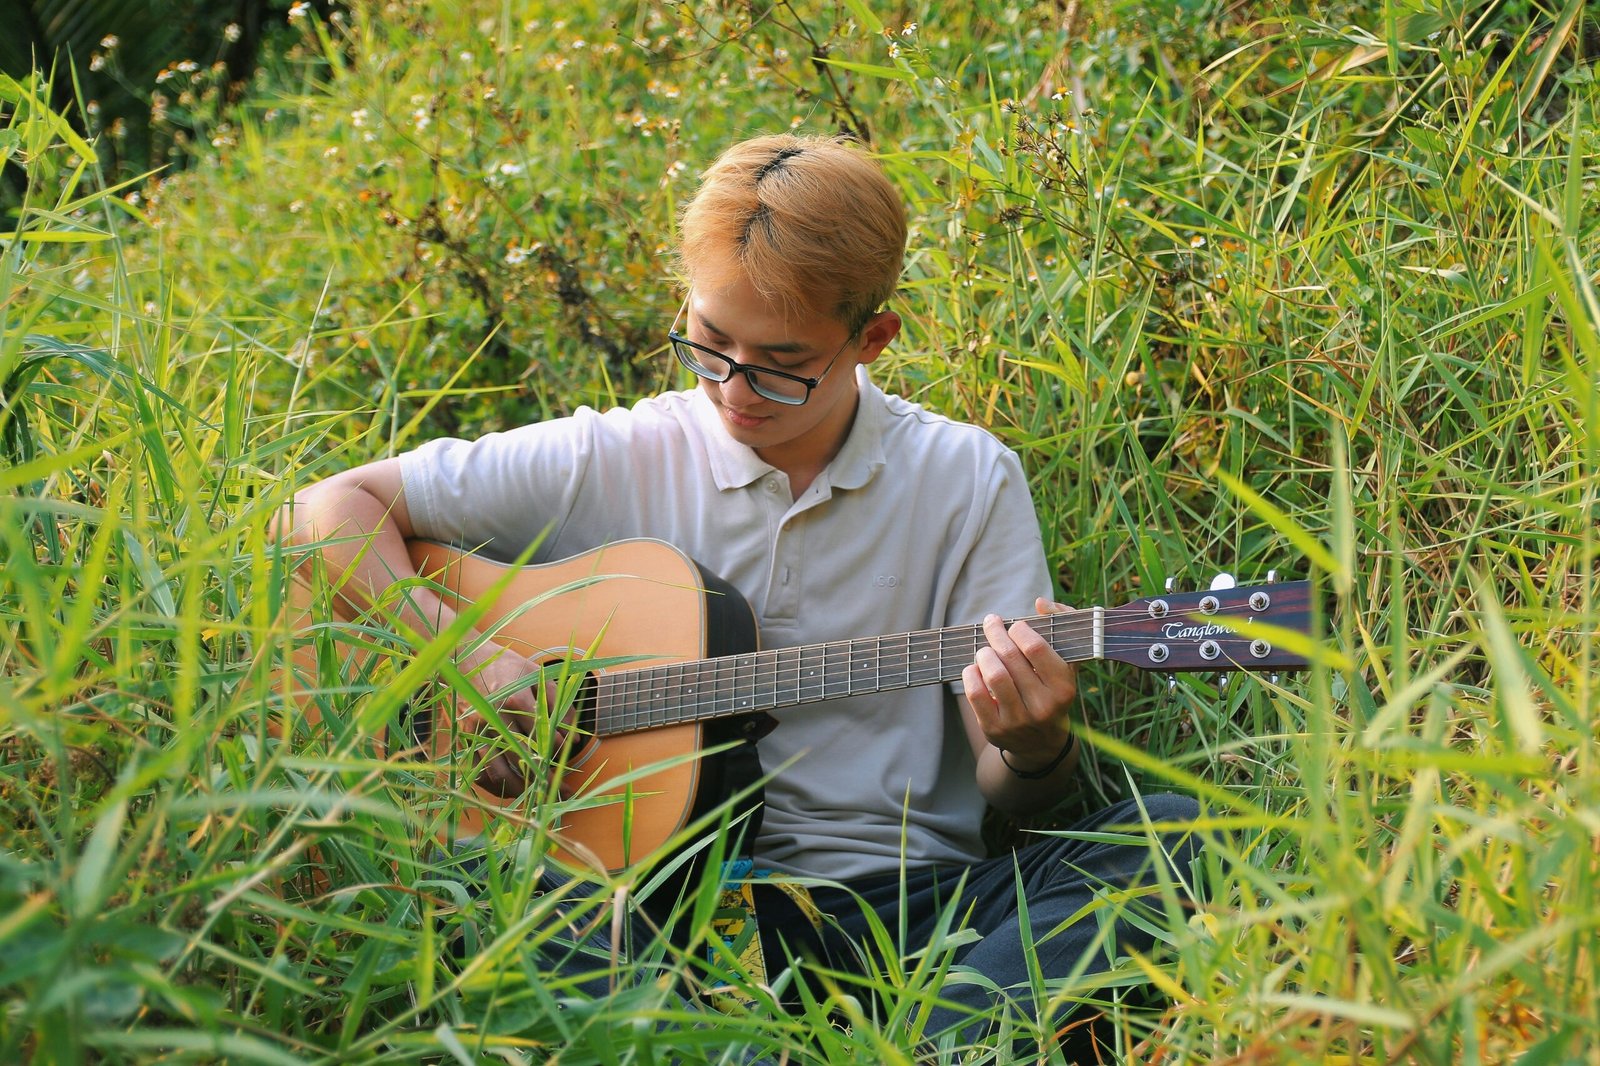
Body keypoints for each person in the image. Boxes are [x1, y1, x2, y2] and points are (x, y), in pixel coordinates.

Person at [277, 133, 1201, 1053]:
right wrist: (465, 654)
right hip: (654, 914)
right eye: (709, 342)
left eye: (779, 362)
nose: (732, 389)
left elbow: (1015, 797)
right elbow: (323, 510)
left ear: (871, 338)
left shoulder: (966, 479)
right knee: (520, 907)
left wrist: (1032, 744)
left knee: (1179, 837)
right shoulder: (614, 455)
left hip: (908, 907)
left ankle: (896, 1041)